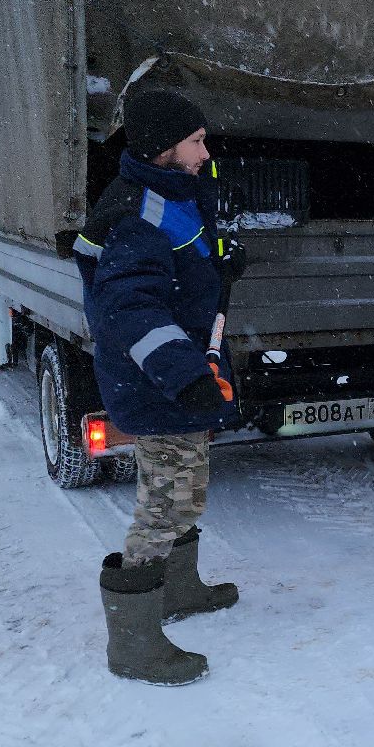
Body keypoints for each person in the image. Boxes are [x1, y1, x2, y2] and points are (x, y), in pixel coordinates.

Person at [75, 87, 243, 686]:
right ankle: (134, 644)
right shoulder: (136, 216)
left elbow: (182, 265)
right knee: (165, 504)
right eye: (196, 142)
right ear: (163, 148)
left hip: (180, 374)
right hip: (158, 382)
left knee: (184, 491)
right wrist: (185, 375)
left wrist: (219, 263)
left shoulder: (172, 195)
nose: (205, 153)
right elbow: (132, 309)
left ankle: (179, 589)